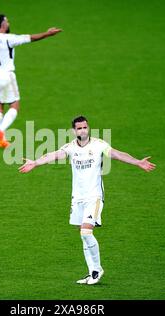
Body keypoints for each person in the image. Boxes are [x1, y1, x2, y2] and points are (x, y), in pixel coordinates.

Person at [19, 116, 156, 285]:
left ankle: (97, 270)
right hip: (77, 198)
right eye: (79, 128)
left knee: (86, 232)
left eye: (85, 127)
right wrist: (36, 163)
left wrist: (137, 162)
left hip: (94, 196)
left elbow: (117, 154)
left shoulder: (99, 145)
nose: (83, 130)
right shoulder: (70, 148)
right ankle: (92, 273)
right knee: (82, 235)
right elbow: (53, 154)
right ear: (74, 131)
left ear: (88, 128)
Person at [0, 15, 62, 148]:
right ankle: (0, 131)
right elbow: (31, 38)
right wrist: (48, 34)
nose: (8, 23)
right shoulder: (10, 39)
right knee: (14, 106)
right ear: (3, 24)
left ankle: (0, 140)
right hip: (6, 75)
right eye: (7, 21)